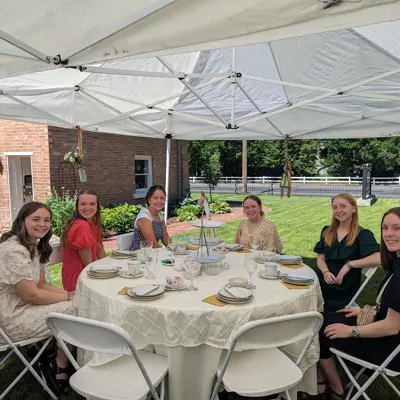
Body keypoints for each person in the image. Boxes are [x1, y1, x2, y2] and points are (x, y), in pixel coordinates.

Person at [316, 207, 400, 399]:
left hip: (389, 350)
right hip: (382, 328)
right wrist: (368, 311)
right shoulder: (397, 261)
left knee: (318, 330)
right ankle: (321, 379)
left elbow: (392, 327)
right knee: (319, 320)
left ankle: (336, 389)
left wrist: (350, 331)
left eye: (397, 228)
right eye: (385, 228)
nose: (389, 234)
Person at [0, 202, 76, 393]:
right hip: (10, 319)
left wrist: (71, 295)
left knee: (76, 302)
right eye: (36, 219)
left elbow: (41, 285)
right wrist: (69, 298)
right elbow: (32, 294)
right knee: (77, 310)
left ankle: (48, 350)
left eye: (46, 220)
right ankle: (60, 365)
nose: (42, 224)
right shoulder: (13, 250)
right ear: (22, 221)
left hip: (24, 305)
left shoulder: (32, 245)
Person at [314, 193, 380, 312]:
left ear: (354, 209)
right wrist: (325, 271)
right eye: (335, 207)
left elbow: (379, 257)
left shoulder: (362, 234)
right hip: (323, 277)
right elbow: (321, 258)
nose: (338, 210)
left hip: (340, 286)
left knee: (304, 292)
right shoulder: (327, 231)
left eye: (343, 206)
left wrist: (349, 265)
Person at [61, 189, 106, 292]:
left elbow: (100, 250)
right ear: (77, 206)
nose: (87, 208)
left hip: (90, 273)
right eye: (83, 204)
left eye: (92, 204)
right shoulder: (81, 226)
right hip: (80, 280)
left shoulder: (93, 223)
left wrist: (109, 269)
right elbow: (88, 265)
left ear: (97, 207)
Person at [130, 185, 169, 251]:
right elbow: (153, 244)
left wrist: (175, 249)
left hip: (153, 253)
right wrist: (167, 253)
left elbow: (165, 238)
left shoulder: (160, 215)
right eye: (155, 198)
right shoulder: (144, 217)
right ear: (149, 200)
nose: (159, 201)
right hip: (139, 255)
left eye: (162, 198)